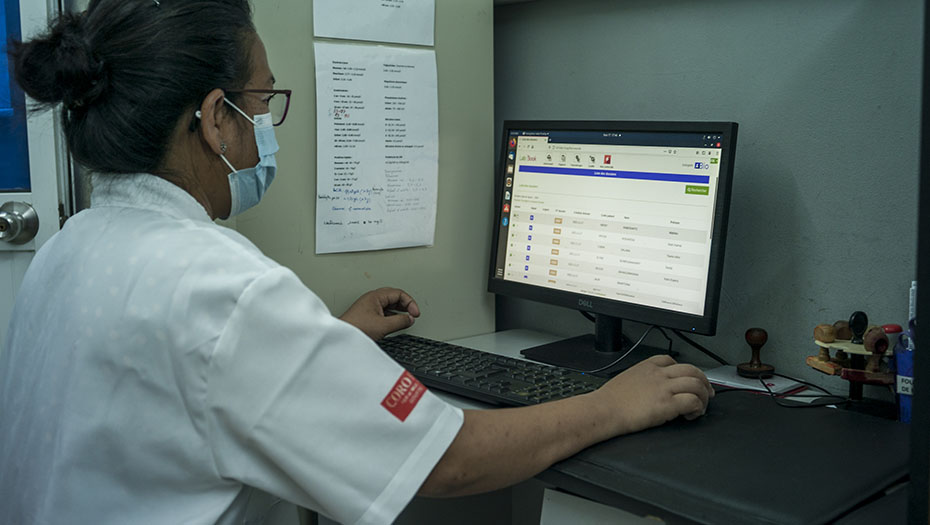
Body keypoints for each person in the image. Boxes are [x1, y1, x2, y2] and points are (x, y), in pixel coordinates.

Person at [0, 1, 714, 523]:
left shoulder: (72, 246)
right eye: (262, 102)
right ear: (215, 118)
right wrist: (609, 405)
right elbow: (448, 459)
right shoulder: (220, 288)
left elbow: (188, 388)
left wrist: (330, 338)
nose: (265, 133)